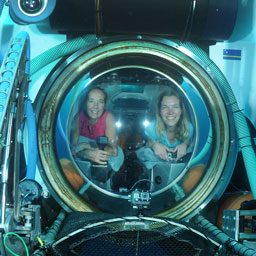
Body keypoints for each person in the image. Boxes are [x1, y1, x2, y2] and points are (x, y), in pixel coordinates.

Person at [71, 87, 124, 182]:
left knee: (119, 154)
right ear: (85, 103)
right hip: (82, 158)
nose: (96, 106)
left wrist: (89, 146)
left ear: (104, 104)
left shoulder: (109, 117)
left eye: (100, 102)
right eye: (91, 101)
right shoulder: (78, 117)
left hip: (103, 154)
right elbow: (73, 149)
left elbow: (114, 151)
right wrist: (85, 153)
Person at [136, 89, 194, 169]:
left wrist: (185, 145)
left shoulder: (189, 128)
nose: (170, 112)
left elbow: (189, 142)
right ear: (160, 111)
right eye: (165, 107)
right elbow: (148, 139)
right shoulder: (152, 127)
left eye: (175, 107)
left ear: (181, 110)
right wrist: (154, 145)